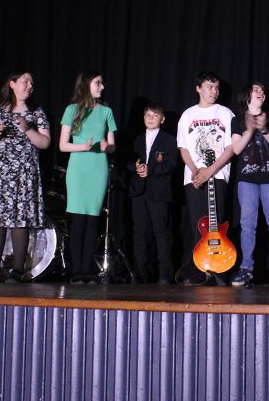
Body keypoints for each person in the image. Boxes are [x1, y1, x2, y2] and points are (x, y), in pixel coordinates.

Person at [0, 72, 51, 283]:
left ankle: (18, 271)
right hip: (0, 173)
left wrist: (27, 128)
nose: (29, 86)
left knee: (21, 219)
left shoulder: (36, 112)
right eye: (25, 81)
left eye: (32, 83)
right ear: (12, 84)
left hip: (24, 174)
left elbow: (45, 142)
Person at [176, 71, 235, 284]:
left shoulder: (225, 113)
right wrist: (194, 170)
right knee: (196, 225)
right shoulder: (188, 115)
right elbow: (183, 147)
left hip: (217, 175)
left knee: (216, 224)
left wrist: (211, 170)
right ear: (198, 88)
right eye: (210, 87)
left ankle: (218, 272)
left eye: (217, 88)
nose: (214, 91)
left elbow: (231, 147)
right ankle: (197, 273)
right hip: (193, 177)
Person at [59, 70, 117, 284]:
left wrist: (106, 147)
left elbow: (112, 146)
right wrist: (83, 146)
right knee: (78, 221)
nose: (102, 87)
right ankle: (76, 272)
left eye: (102, 83)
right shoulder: (72, 110)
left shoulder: (106, 111)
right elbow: (63, 145)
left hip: (98, 169)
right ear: (86, 84)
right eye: (98, 83)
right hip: (78, 169)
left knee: (93, 220)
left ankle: (87, 270)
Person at [230, 82, 269, 287]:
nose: (261, 93)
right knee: (247, 224)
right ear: (247, 96)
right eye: (257, 90)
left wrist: (263, 129)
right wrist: (250, 129)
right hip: (247, 180)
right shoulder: (237, 120)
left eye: (263, 91)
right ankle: (246, 268)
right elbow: (236, 149)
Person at [126, 102, 177, 284]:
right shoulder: (136, 138)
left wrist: (151, 169)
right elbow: (127, 162)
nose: (150, 118)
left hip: (159, 191)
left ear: (162, 120)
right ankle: (139, 273)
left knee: (161, 232)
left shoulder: (169, 140)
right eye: (147, 115)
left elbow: (171, 163)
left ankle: (164, 274)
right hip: (139, 191)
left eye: (155, 115)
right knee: (139, 232)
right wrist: (135, 167)